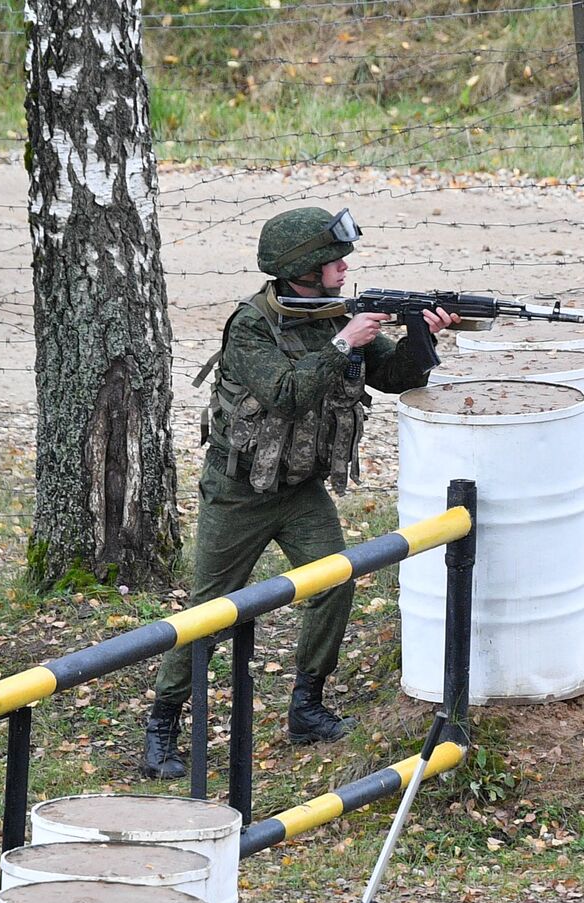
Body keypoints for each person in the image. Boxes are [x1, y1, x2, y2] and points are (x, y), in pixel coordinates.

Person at [140, 206, 456, 779]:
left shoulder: (336, 314)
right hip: (239, 492)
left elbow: (394, 378)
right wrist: (343, 345)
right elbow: (285, 393)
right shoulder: (252, 326)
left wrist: (418, 336)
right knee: (209, 611)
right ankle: (162, 724)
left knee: (334, 581)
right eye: (333, 260)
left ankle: (307, 705)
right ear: (302, 269)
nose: (344, 268)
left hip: (300, 490)